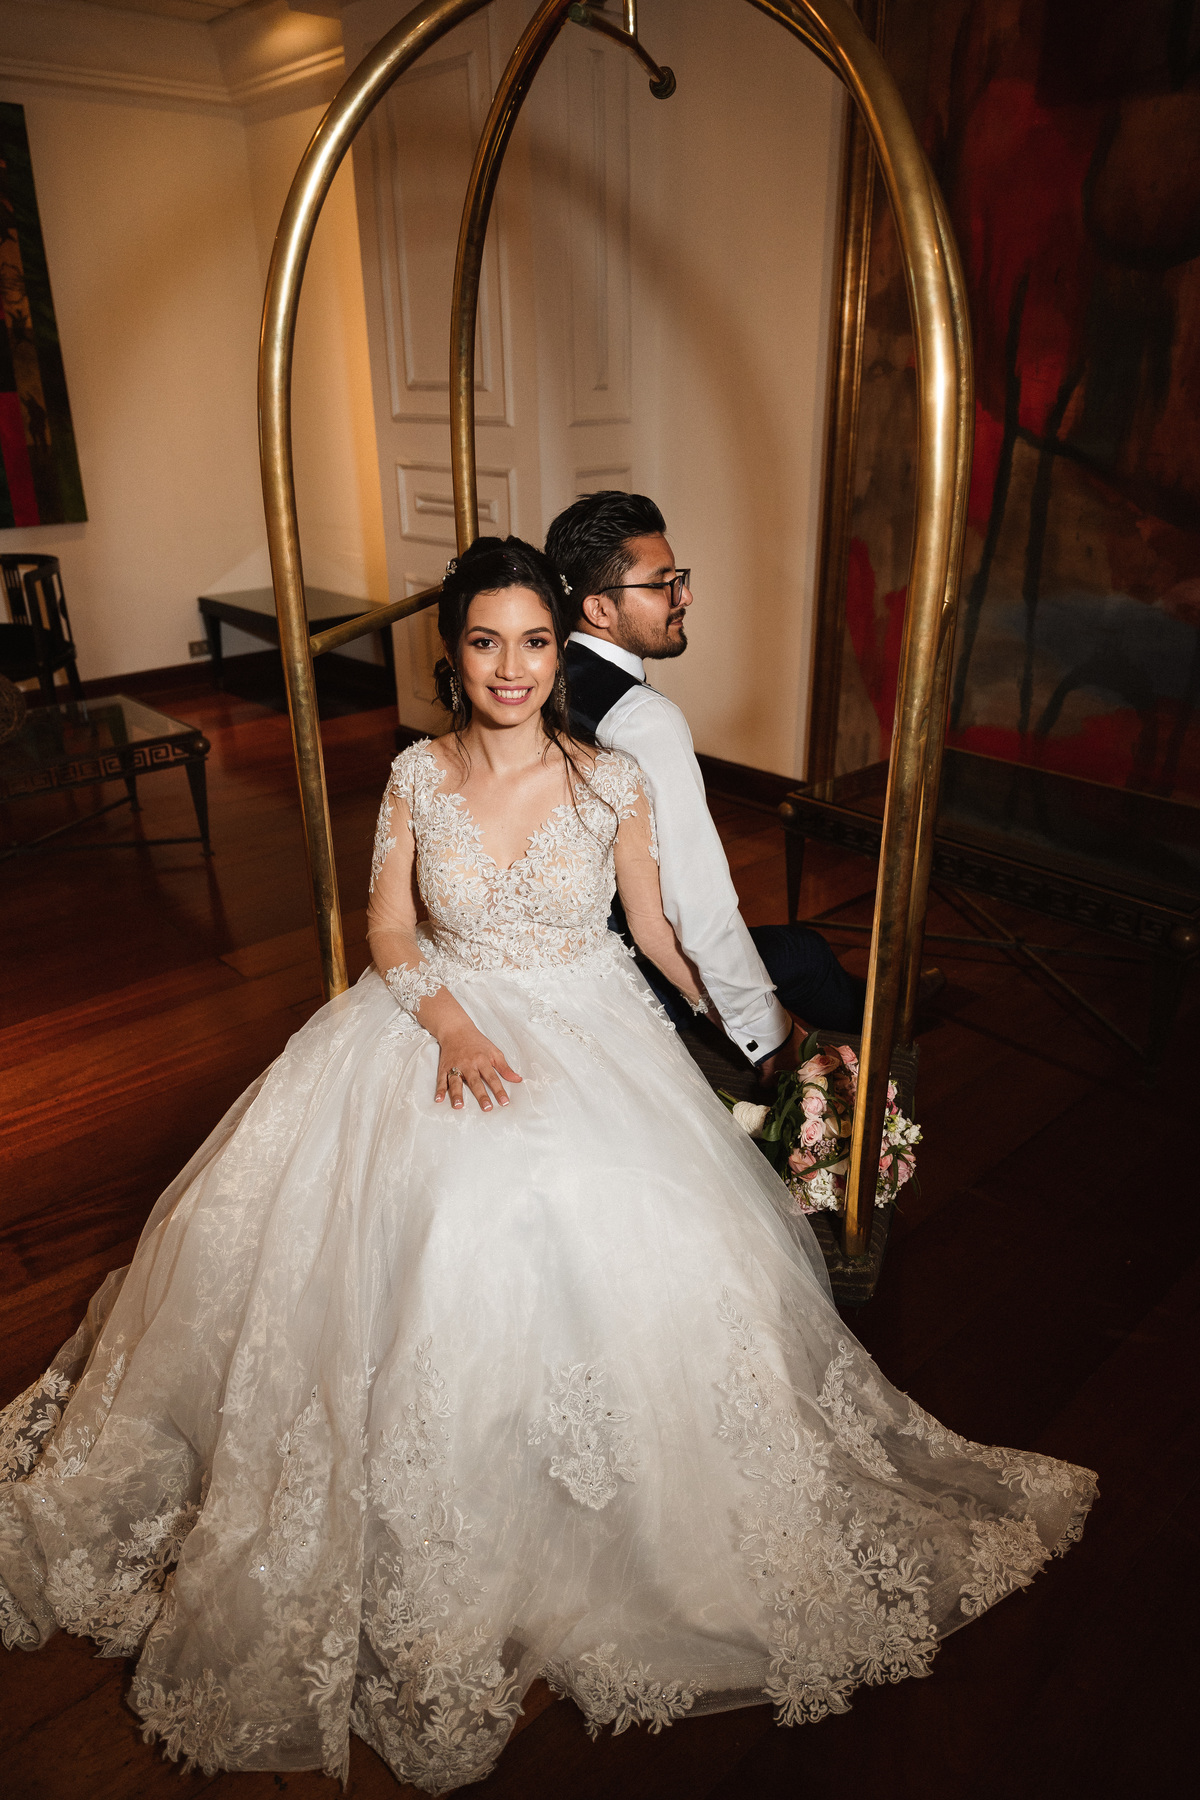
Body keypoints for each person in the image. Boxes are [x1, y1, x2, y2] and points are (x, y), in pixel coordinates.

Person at [0, 537, 1095, 1795]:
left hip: (591, 1032)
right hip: (435, 1021)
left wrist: (767, 1041)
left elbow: (655, 933)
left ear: (556, 649)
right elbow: (388, 926)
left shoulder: (611, 780)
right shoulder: (416, 774)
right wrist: (451, 1027)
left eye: (532, 641)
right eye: (485, 642)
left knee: (620, 1228)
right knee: (446, 1217)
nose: (511, 668)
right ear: (453, 654)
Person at [547, 490, 870, 1071]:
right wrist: (770, 1038)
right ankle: (878, 1041)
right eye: (662, 584)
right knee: (807, 952)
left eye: (680, 578)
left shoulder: (539, 679)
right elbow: (698, 905)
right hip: (642, 973)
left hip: (565, 958)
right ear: (599, 609)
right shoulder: (643, 721)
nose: (685, 596)